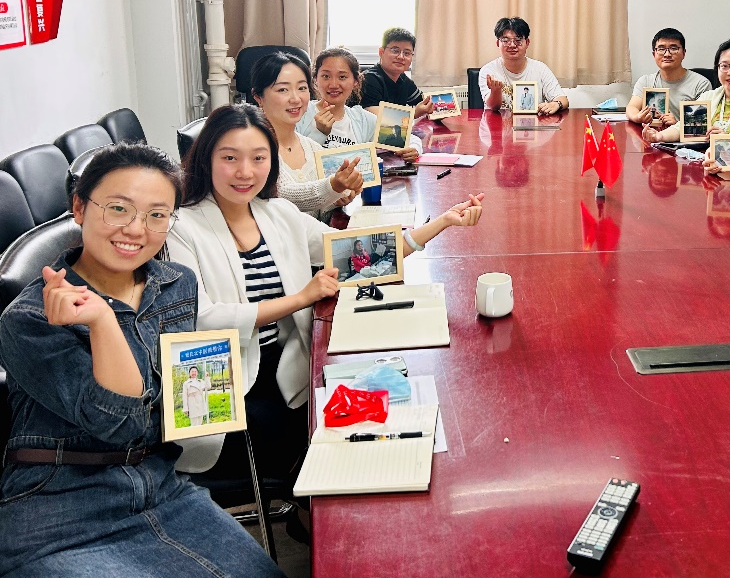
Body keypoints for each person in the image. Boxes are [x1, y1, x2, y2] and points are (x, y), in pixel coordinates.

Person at [0, 143, 281, 576]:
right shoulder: (30, 318)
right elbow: (119, 425)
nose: (136, 229)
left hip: (160, 485)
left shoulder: (176, 283)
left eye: (157, 215)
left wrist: (208, 398)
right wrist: (102, 321)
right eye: (118, 208)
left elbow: (179, 395)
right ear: (80, 208)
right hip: (60, 508)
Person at [168, 104, 484, 485]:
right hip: (229, 384)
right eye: (230, 158)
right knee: (346, 434)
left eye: (258, 158)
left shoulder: (277, 213)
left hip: (287, 368)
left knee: (388, 398)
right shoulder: (181, 226)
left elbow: (359, 252)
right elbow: (200, 318)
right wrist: (302, 297)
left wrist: (443, 222)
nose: (245, 171)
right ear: (206, 159)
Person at [251, 51, 364, 219]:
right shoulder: (252, 147)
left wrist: (339, 197)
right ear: (258, 97)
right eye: (283, 89)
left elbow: (316, 208)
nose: (296, 99)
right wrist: (333, 187)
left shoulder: (312, 147)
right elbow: (281, 196)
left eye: (302, 88)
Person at [296, 46, 421, 163]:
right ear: (315, 79)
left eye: (342, 77)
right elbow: (294, 163)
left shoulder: (362, 119)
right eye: (326, 76)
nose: (333, 84)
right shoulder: (300, 113)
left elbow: (410, 138)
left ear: (355, 81)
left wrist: (414, 148)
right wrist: (319, 133)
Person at [643, 37, 730, 145]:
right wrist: (659, 136)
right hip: (705, 158)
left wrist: (727, 140)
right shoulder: (708, 97)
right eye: (724, 66)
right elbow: (682, 127)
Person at [479, 17, 569, 115]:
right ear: (498, 43)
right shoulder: (489, 71)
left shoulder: (540, 69)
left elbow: (563, 99)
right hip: (498, 123)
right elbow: (493, 107)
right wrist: (495, 91)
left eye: (518, 40)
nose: (512, 45)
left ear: (527, 43)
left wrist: (556, 104)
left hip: (533, 122)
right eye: (505, 40)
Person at [626, 28, 711, 127]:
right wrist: (637, 117)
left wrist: (677, 124)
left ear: (684, 53)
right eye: (661, 49)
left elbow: (700, 125)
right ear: (654, 54)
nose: (667, 54)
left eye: (673, 48)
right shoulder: (645, 81)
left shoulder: (700, 84)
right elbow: (632, 107)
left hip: (681, 136)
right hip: (651, 134)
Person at [360, 27, 434, 118]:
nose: (401, 57)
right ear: (381, 52)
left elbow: (424, 102)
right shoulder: (368, 79)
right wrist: (414, 113)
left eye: (407, 53)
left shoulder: (403, 79)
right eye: (395, 51)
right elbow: (377, 119)